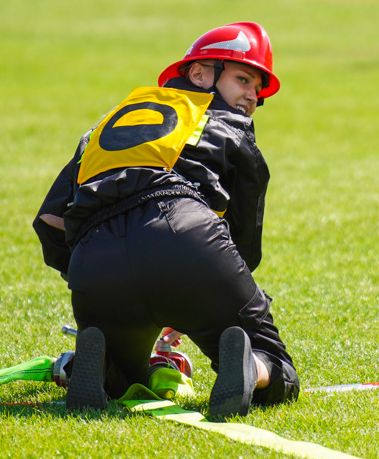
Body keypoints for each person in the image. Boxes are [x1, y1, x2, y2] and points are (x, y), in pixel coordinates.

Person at [33, 22, 300, 419]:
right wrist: (200, 293)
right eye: (244, 79)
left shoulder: (108, 123)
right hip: (185, 235)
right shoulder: (231, 123)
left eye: (258, 91)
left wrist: (88, 280)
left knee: (122, 380)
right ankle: (250, 366)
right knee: (277, 366)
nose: (251, 96)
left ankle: (89, 364)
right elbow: (243, 241)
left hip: (95, 257)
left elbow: (51, 219)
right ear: (199, 74)